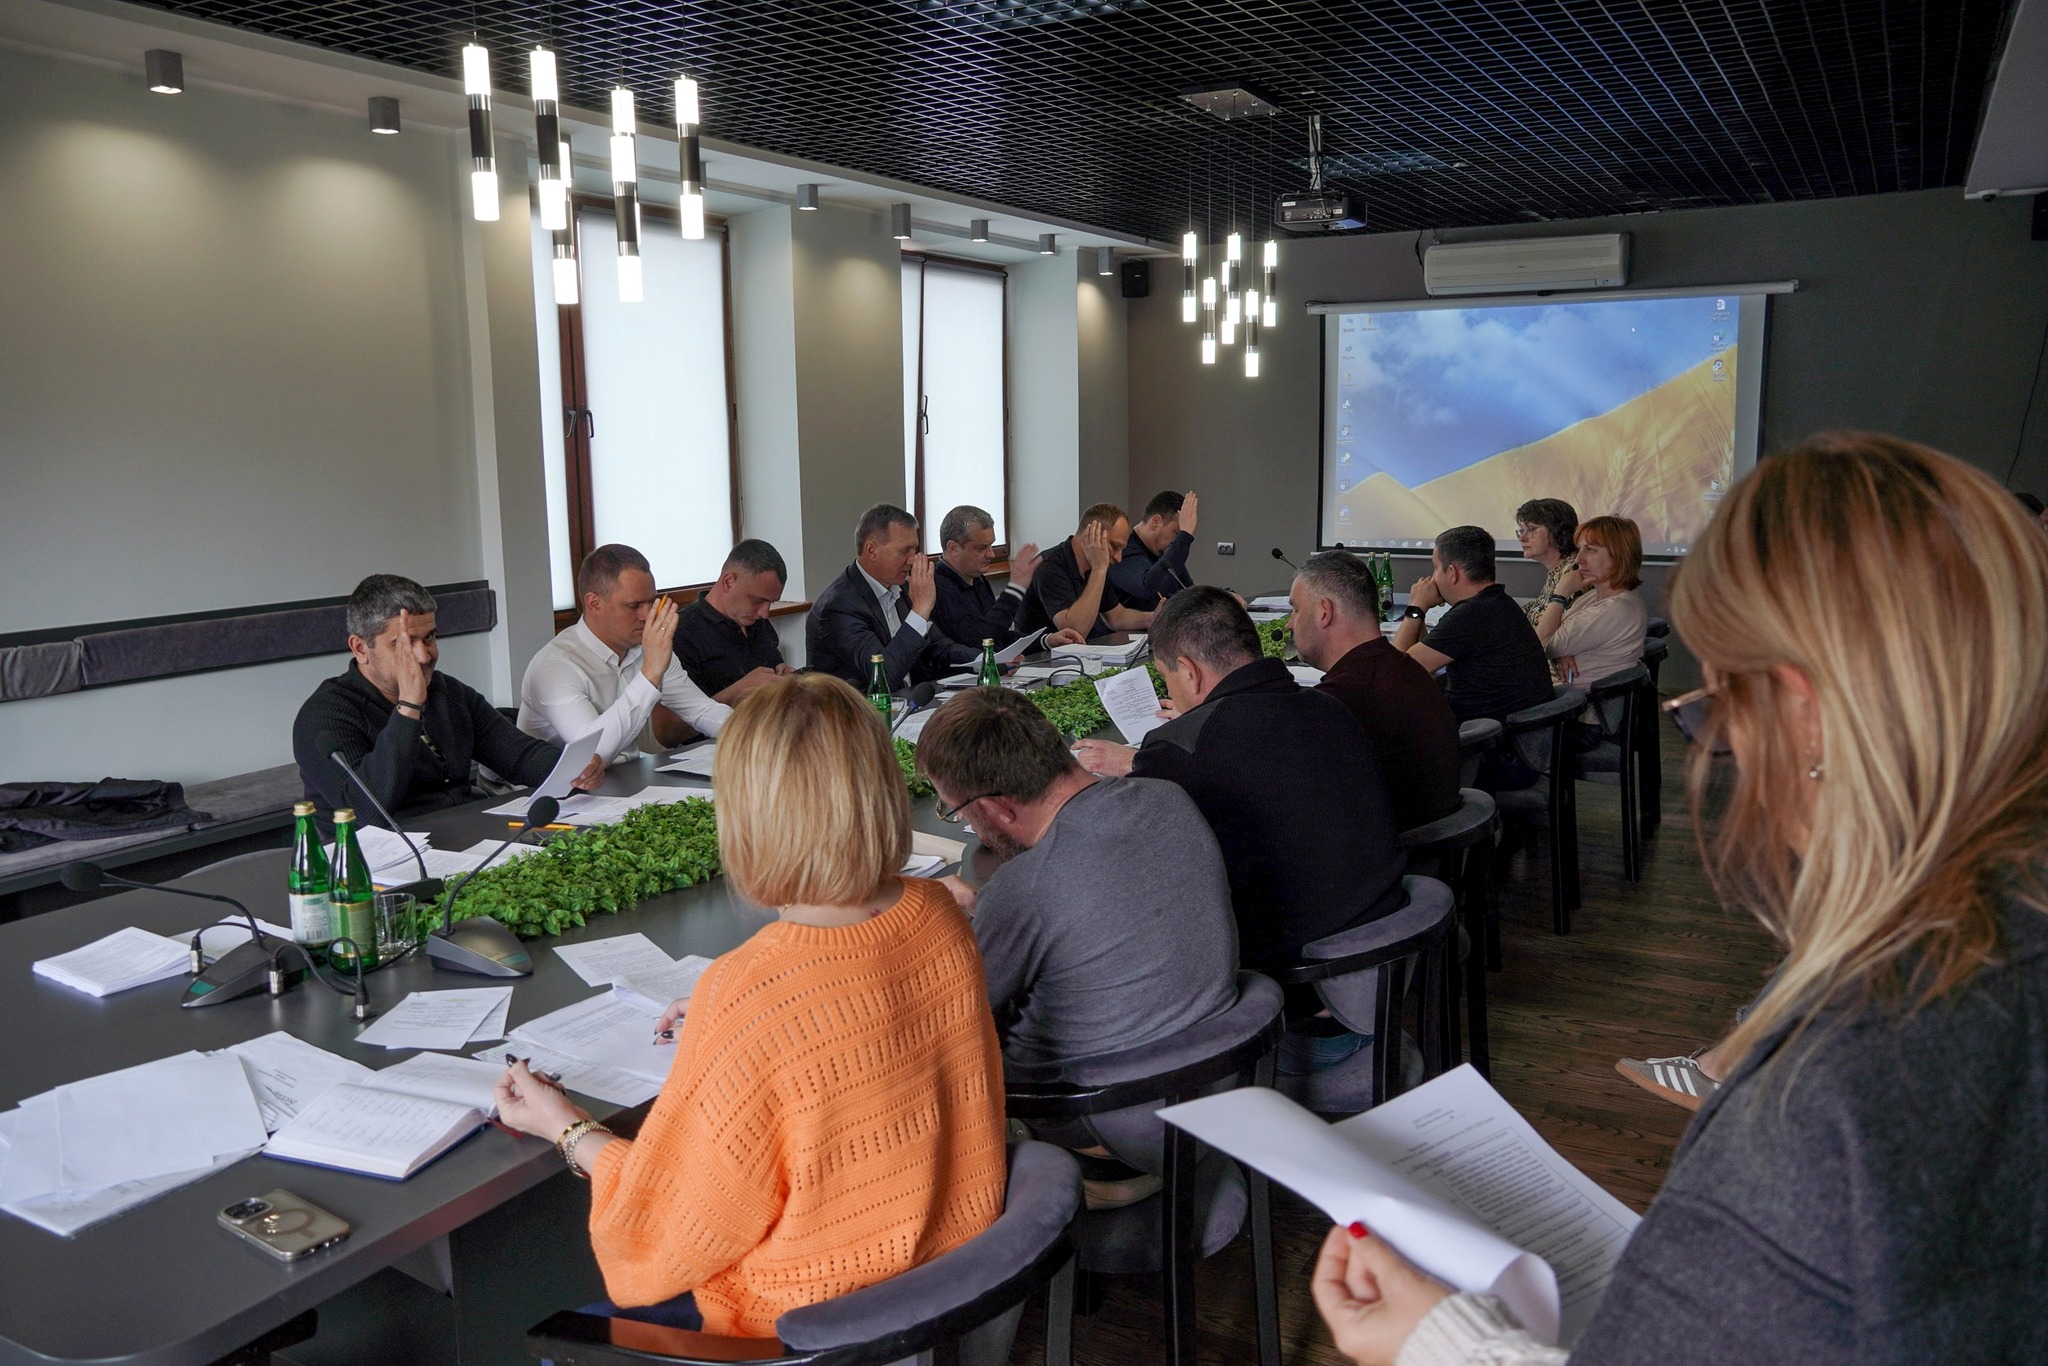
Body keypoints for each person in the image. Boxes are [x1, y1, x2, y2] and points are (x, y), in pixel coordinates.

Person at [1307, 432, 2048, 1365]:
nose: (1716, 748)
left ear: (1808, 716)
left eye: (1719, 705)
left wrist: (1434, 1335)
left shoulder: (1832, 1095)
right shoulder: (2008, 935)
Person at [493, 674, 1009, 1337]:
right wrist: (740, 1013)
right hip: (947, 1286)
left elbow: (671, 1226)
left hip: (805, 1329)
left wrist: (566, 1127)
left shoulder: (751, 991)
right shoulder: (938, 911)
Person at [1073, 587, 1406, 1072]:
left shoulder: (1186, 747)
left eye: (1168, 678)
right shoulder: (1329, 707)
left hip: (1299, 1023)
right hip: (1386, 979)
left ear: (1188, 671)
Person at [914, 685, 1239, 1082]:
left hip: (1090, 1099)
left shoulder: (1025, 887)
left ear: (996, 808)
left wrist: (929, 928)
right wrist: (990, 908)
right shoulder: (1169, 798)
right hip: (1214, 1068)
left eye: (956, 809)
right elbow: (1095, 911)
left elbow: (948, 1018)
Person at [293, 574, 599, 833]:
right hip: (382, 861)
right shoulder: (323, 717)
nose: (423, 655)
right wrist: (409, 707)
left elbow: (520, 756)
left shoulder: (447, 692)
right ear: (361, 648)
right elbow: (368, 811)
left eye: (429, 638)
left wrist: (576, 768)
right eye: (403, 644)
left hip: (464, 835)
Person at [1289, 550, 1462, 830]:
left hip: (1394, 847)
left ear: (1324, 612)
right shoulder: (1407, 671)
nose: (1289, 623)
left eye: (1296, 609)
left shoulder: (1341, 702)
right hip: (1430, 843)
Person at [519, 544, 731, 766]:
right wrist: (650, 674)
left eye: (651, 602)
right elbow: (592, 751)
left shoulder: (645, 648)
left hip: (625, 775)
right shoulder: (554, 667)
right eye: (633, 606)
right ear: (594, 603)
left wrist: (751, 735)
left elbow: (701, 710)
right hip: (560, 786)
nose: (647, 615)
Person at [1394, 526, 1553, 727]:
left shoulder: (1470, 615)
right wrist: (1421, 613)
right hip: (1519, 733)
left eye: (1436, 568)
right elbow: (1427, 653)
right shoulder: (1498, 602)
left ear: (1452, 573)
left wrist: (1415, 607)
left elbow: (1395, 671)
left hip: (1485, 739)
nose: (1432, 578)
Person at [807, 504, 977, 689]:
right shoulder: (838, 607)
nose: (912, 560)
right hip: (862, 705)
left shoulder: (901, 587)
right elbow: (882, 677)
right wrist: (919, 612)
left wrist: (985, 660)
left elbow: (938, 648)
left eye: (914, 550)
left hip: (910, 700)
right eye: (904, 551)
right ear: (871, 550)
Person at [928, 504, 1081, 652]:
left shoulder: (977, 579)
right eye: (982, 548)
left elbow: (999, 636)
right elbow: (981, 640)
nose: (991, 554)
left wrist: (1046, 641)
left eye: (991, 545)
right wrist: (1015, 589)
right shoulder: (937, 588)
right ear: (953, 548)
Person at [671, 539, 795, 704]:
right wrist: (740, 691)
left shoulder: (757, 621)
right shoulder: (681, 633)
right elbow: (675, 720)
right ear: (729, 582)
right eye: (758, 601)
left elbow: (774, 668)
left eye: (771, 603)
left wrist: (783, 678)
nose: (765, 613)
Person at [1532, 515, 1648, 690]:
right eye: (1580, 549)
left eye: (1590, 550)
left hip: (1568, 700)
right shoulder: (1593, 596)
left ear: (1619, 556)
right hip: (1553, 688)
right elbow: (1549, 637)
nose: (1578, 559)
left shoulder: (1616, 608)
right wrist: (1559, 653)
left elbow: (1538, 645)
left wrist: (1560, 593)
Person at [1022, 503, 1154, 640]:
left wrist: (1154, 617)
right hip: (1042, 652)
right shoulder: (1050, 567)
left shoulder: (1094, 566)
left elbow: (1117, 617)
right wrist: (1099, 570)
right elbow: (1075, 631)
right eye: (1115, 546)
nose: (1119, 558)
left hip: (1083, 649)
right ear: (1091, 536)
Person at [1108, 489, 1199, 607]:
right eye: (1176, 533)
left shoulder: (1164, 552)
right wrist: (1184, 536)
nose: (1176, 541)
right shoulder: (1122, 549)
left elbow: (1190, 594)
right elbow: (1149, 589)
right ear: (1156, 522)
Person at [1514, 498, 1581, 629]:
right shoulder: (1556, 570)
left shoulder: (1574, 569)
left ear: (1558, 531)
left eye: (1531, 529)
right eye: (1521, 530)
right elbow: (1536, 609)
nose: (1522, 538)